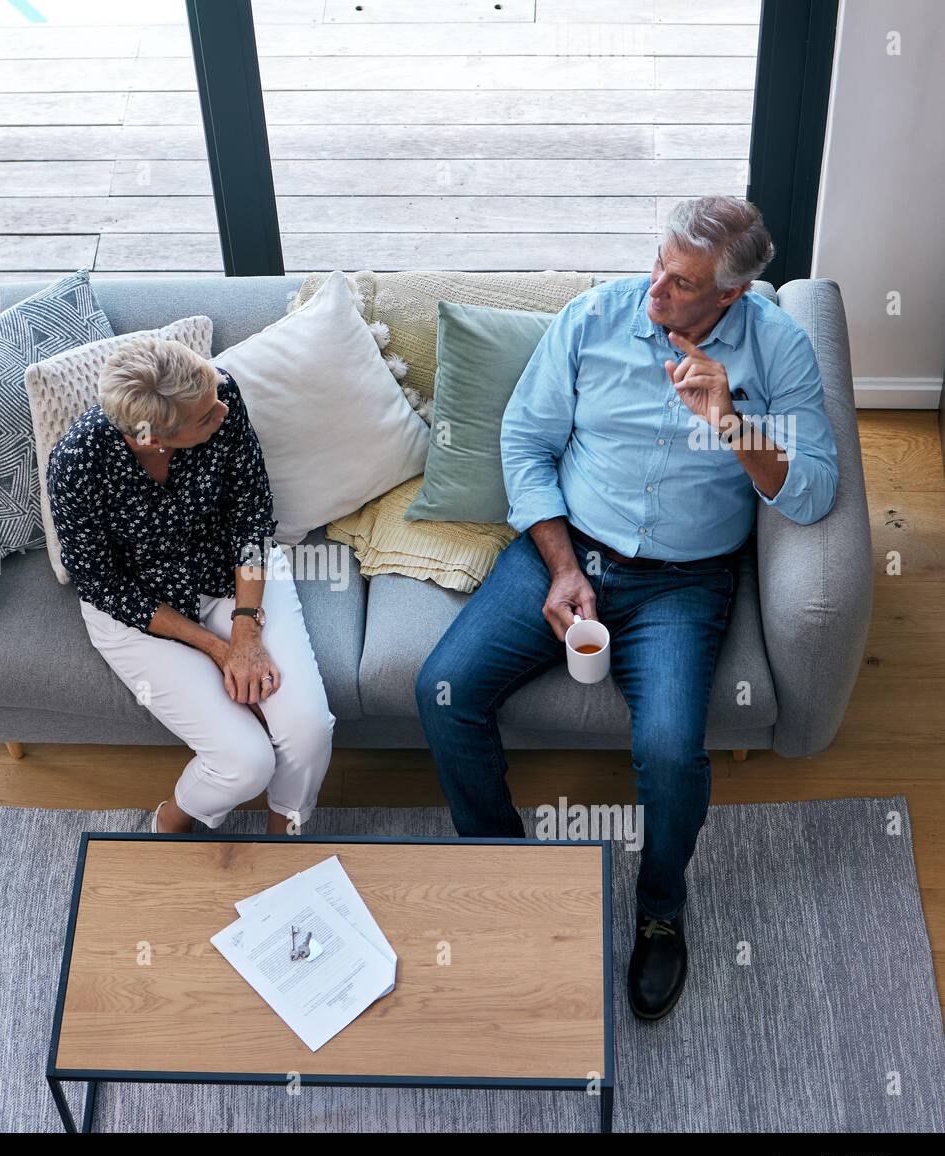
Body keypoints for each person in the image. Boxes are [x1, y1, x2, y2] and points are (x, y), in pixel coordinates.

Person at [416, 196, 839, 1020]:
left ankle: (660, 909)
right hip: (571, 547)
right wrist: (562, 567)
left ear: (731, 296)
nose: (654, 290)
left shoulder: (777, 348)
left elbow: (817, 494)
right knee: (445, 691)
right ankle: (510, 871)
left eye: (680, 283)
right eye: (657, 264)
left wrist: (732, 424)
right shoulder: (593, 317)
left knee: (673, 750)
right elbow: (525, 442)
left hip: (684, 581)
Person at [46, 335, 334, 837]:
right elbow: (104, 584)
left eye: (216, 398)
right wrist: (215, 649)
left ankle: (286, 831)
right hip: (142, 612)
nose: (223, 411)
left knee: (309, 729)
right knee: (245, 762)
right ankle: (172, 820)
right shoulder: (77, 465)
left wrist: (245, 632)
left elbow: (252, 516)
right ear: (152, 439)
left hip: (234, 579)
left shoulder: (220, 396)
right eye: (205, 418)